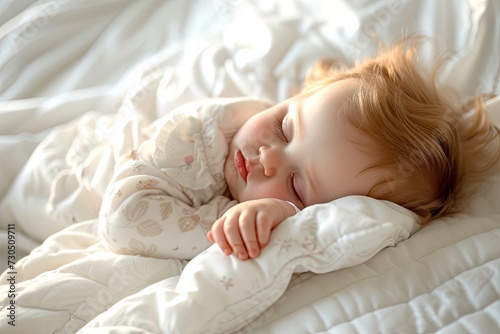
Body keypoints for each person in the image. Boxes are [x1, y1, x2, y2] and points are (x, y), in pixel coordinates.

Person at [99, 37, 500, 261]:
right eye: (285, 127)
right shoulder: (199, 135)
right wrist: (226, 222)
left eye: (296, 188)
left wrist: (280, 216)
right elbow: (122, 221)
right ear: (300, 95)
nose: (269, 157)